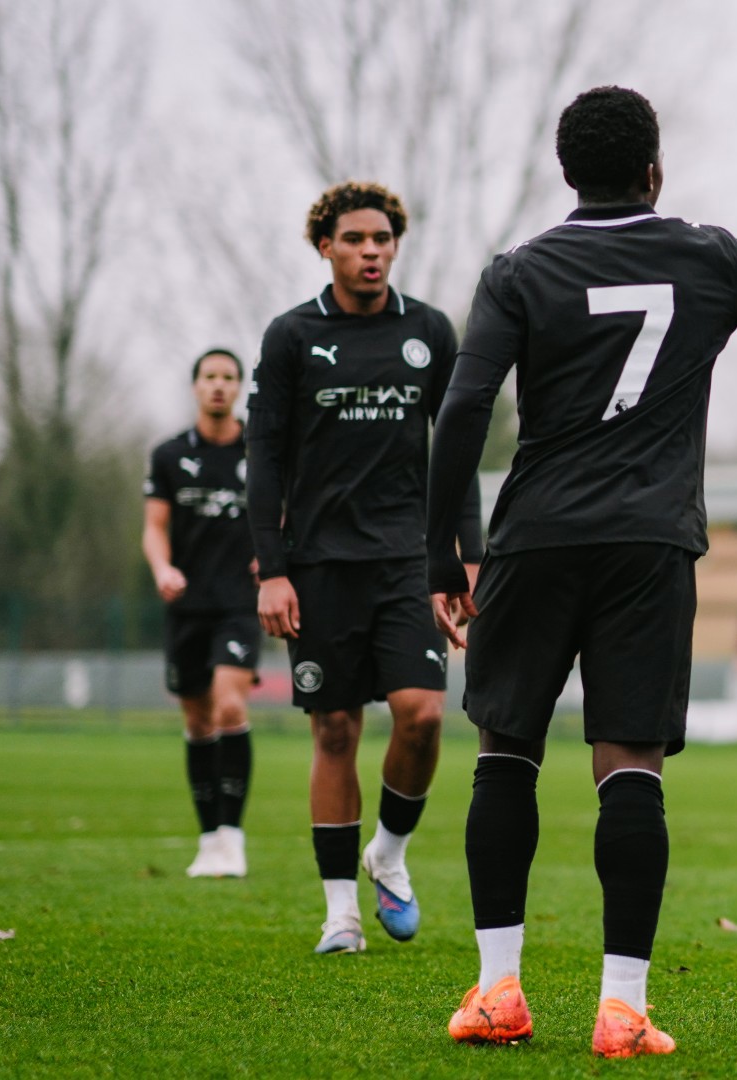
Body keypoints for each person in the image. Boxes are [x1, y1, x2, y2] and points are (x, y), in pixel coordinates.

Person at [421, 86, 737, 1057]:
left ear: (568, 172)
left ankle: (499, 992)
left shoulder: (519, 271)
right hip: (651, 544)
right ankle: (621, 1009)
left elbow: (462, 412)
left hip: (533, 539)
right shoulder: (705, 255)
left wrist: (443, 553)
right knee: (629, 768)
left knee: (506, 754)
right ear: (655, 170)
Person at [246, 181, 483, 955]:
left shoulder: (428, 332)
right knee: (337, 730)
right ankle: (340, 914)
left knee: (420, 715)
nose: (371, 251)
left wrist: (463, 558)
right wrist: (271, 570)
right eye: (354, 239)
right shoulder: (291, 337)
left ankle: (389, 851)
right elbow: (263, 460)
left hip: (406, 564)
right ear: (326, 247)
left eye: (383, 239)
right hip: (317, 569)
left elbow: (456, 456)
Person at [142, 348, 258, 878]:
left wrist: (275, 558)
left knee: (230, 708)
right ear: (195, 386)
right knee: (196, 721)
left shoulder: (260, 449)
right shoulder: (168, 455)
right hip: (187, 605)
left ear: (239, 387)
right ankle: (208, 838)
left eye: (228, 377)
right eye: (210, 377)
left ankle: (233, 838)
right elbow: (155, 527)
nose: (219, 385)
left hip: (240, 602)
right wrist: (162, 568)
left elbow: (284, 513)